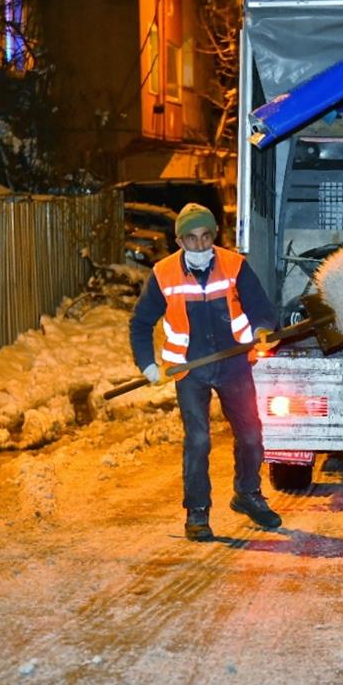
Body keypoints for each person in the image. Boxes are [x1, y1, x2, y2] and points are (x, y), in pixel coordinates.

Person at [129, 203, 281, 541]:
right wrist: (149, 365)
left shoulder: (234, 265)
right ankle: (197, 512)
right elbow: (140, 324)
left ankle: (247, 493)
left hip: (233, 363)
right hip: (190, 369)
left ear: (214, 235)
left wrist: (261, 330)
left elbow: (261, 309)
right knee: (198, 440)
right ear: (179, 240)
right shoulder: (163, 273)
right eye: (191, 239)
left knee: (252, 434)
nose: (199, 245)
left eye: (206, 237)